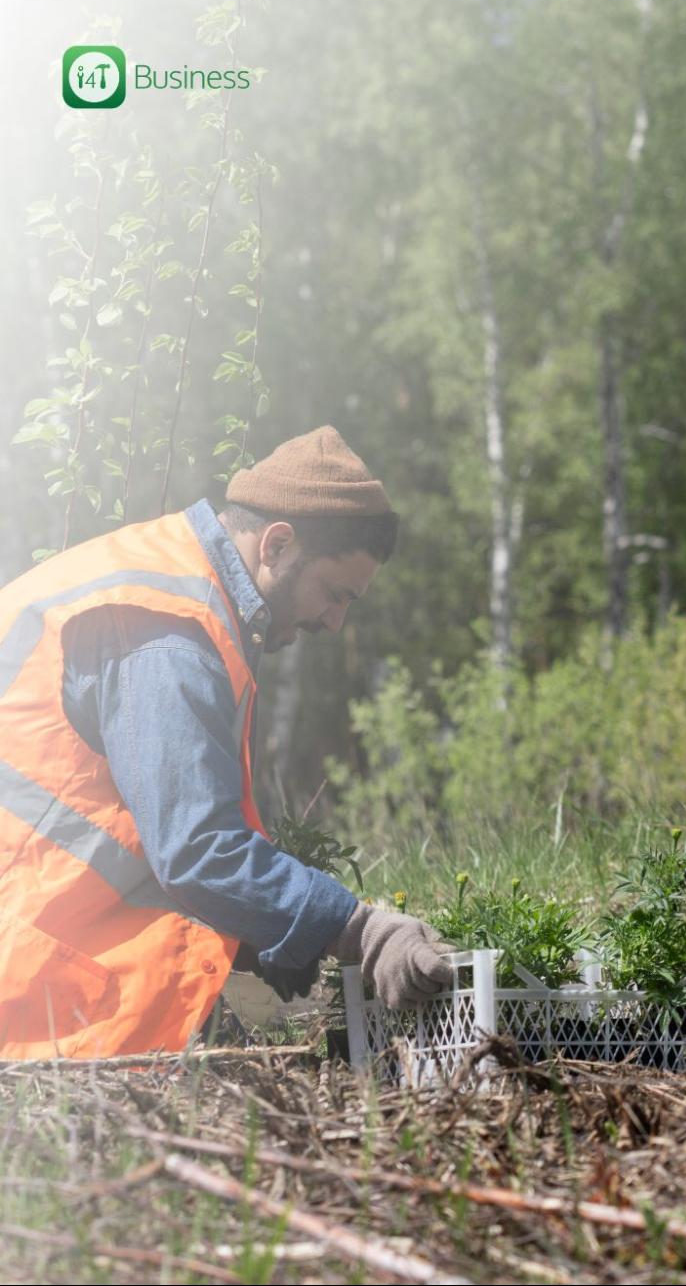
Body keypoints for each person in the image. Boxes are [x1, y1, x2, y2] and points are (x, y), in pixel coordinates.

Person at [0, 426, 454, 1059]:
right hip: (32, 978)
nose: (335, 621)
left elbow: (128, 827)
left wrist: (262, 931)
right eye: (335, 593)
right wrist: (360, 931)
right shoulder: (168, 632)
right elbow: (196, 850)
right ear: (277, 543)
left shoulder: (176, 588)